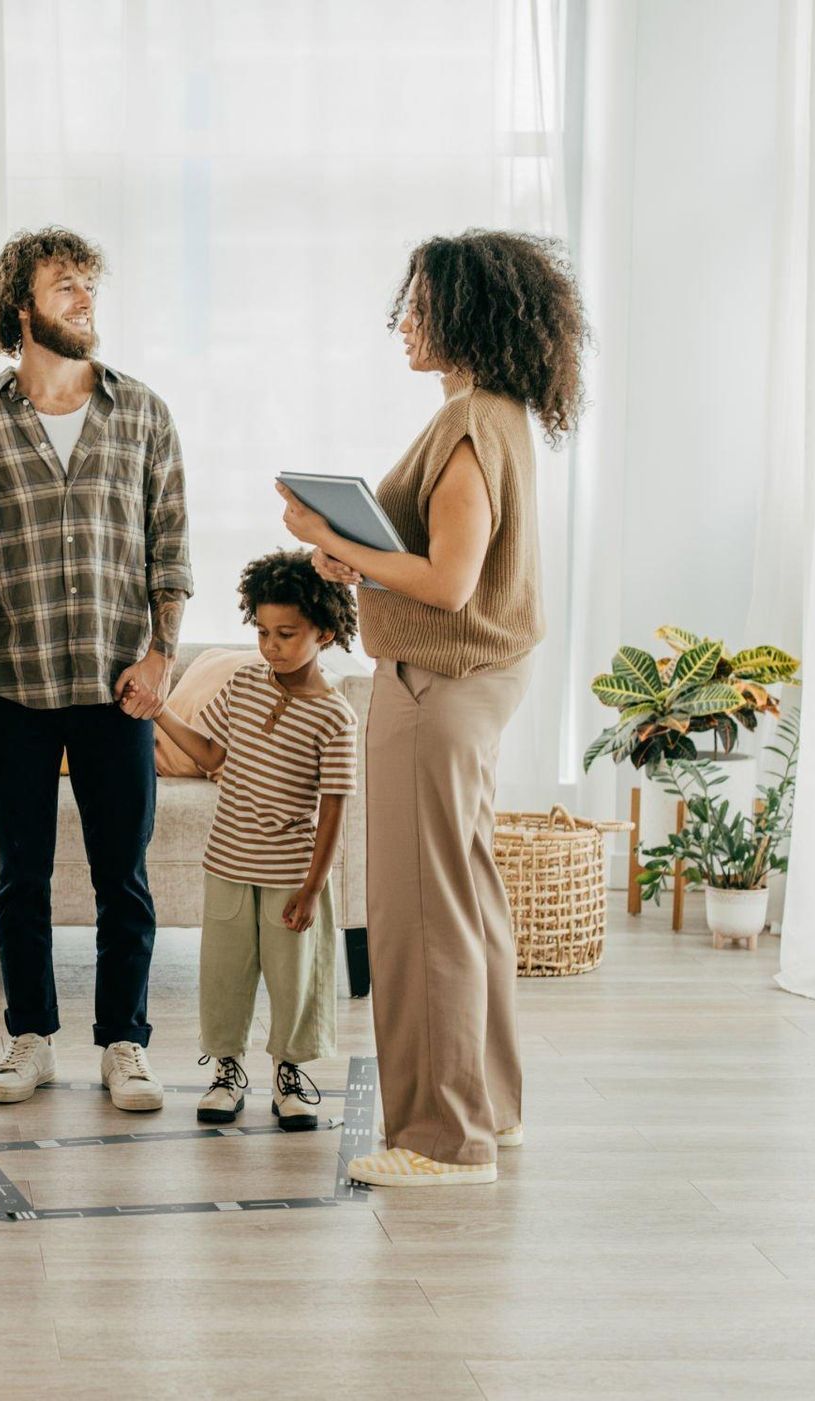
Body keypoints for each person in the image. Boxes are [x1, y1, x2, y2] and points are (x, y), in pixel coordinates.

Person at [277, 228, 586, 1188]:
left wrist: (328, 536)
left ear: (462, 315)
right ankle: (488, 1106)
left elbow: (448, 585)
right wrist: (355, 559)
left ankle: (444, 1139)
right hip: (474, 680)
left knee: (422, 915)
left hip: (438, 683)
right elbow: (449, 568)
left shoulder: (466, 427)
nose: (402, 321)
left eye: (417, 304)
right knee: (467, 899)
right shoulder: (495, 415)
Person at [0, 227, 193, 1112]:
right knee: (21, 874)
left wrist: (162, 653)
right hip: (13, 682)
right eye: (66, 287)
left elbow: (168, 547)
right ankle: (30, 1039)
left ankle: (125, 1044)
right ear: (23, 306)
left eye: (89, 286)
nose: (86, 301)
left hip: (116, 686)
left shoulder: (142, 412)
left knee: (121, 876)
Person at [134, 550, 359, 1131]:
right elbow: (210, 754)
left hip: (291, 874)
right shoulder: (243, 684)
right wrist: (159, 712)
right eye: (262, 632)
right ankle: (226, 1069)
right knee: (225, 974)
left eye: (286, 634)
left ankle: (292, 1071)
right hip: (228, 864)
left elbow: (334, 809)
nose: (271, 645)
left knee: (295, 981)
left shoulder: (335, 717)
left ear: (324, 632)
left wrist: (313, 888)